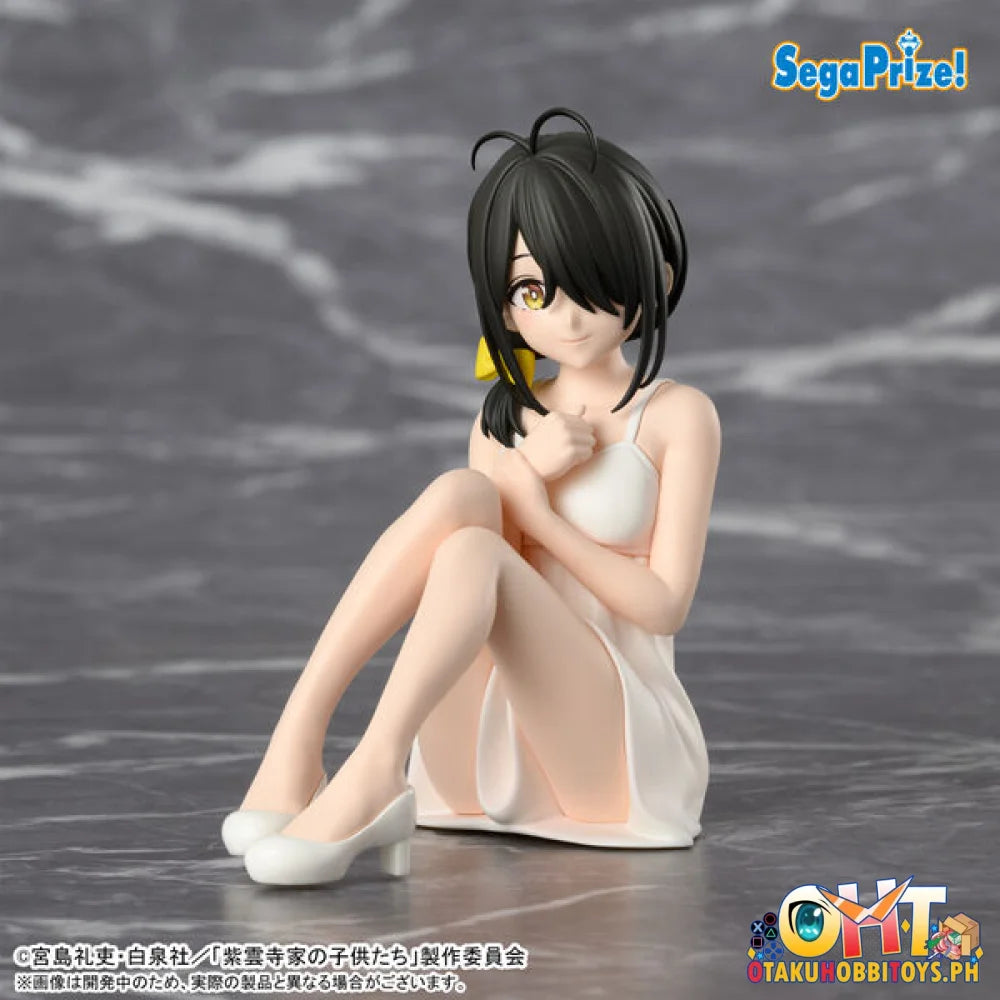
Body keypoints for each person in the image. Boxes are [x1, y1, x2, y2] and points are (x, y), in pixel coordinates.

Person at [222, 107, 721, 887]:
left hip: (613, 750)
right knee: (464, 499)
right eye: (533, 288)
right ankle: (299, 741)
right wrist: (517, 478)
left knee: (479, 543)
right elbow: (473, 586)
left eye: (593, 280)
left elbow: (662, 607)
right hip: (478, 750)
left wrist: (539, 512)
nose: (565, 314)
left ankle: (373, 770)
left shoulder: (675, 416)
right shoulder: (507, 415)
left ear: (653, 276)